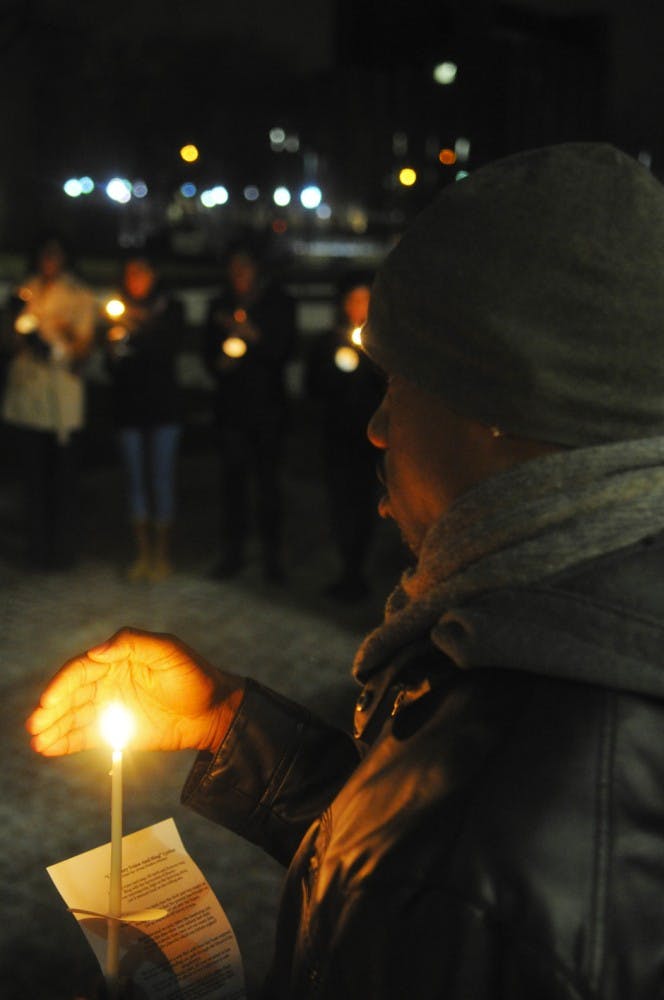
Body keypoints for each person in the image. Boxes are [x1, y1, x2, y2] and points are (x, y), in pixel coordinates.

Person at [27, 144, 664, 998]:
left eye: (397, 382)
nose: (376, 425)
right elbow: (406, 865)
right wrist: (230, 725)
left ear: (496, 403)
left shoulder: (501, 829)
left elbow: (439, 878)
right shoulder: (571, 628)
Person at [203, 243, 297, 582]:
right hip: (231, 410)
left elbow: (284, 350)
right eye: (234, 267)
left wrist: (253, 336)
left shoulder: (278, 303)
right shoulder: (219, 305)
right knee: (233, 485)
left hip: (268, 409)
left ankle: (273, 557)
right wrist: (220, 363)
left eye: (245, 266)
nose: (239, 274)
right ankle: (233, 552)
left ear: (257, 269)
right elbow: (208, 355)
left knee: (269, 486)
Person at [2, 236, 95, 569]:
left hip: (60, 400)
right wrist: (16, 325)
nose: (49, 260)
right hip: (29, 399)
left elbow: (82, 348)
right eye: (44, 254)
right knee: (33, 478)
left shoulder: (78, 295)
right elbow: (9, 341)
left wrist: (55, 345)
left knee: (62, 479)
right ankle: (37, 549)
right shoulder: (25, 291)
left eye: (55, 254)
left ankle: (62, 549)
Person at [103, 257, 184, 581]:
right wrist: (113, 350)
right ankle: (142, 553)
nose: (135, 278)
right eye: (130, 273)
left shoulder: (170, 308)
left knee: (161, 479)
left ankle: (162, 554)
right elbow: (112, 367)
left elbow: (165, 350)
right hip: (128, 409)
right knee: (135, 481)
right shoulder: (117, 311)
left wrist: (138, 325)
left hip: (163, 408)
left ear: (154, 274)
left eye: (142, 272)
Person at [305, 275, 384, 600]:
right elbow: (313, 387)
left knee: (366, 503)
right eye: (353, 300)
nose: (358, 307)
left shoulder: (383, 344)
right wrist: (336, 367)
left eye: (364, 300)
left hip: (370, 437)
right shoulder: (328, 341)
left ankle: (358, 569)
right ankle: (346, 569)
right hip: (337, 434)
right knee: (340, 503)